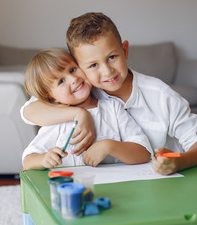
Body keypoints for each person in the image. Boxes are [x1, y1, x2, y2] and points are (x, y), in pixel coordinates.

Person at [22, 12, 197, 175]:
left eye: (112, 57)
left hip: (164, 177)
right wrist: (79, 114)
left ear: (125, 51)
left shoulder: (161, 95)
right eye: (93, 65)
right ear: (80, 66)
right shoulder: (81, 92)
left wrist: (179, 162)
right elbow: (29, 111)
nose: (107, 72)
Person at [21, 48, 151, 170]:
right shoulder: (58, 120)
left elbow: (144, 153)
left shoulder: (113, 108)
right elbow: (28, 160)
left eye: (72, 69)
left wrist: (109, 146)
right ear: (52, 97)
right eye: (61, 81)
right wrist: (43, 159)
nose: (73, 79)